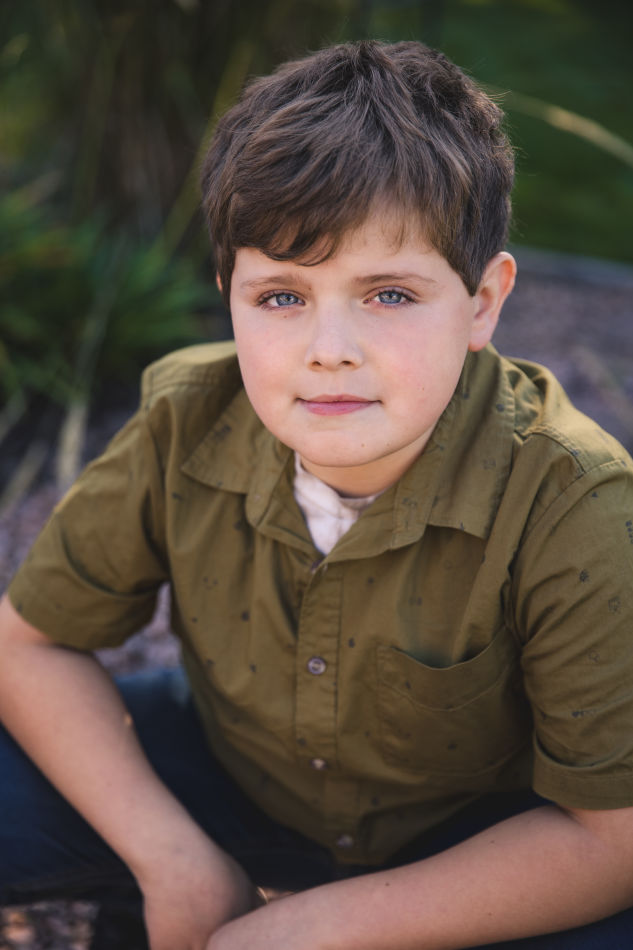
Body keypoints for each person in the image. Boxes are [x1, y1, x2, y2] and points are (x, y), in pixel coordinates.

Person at [1, 39, 633, 950]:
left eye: (388, 295)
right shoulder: (188, 417)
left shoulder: (576, 504)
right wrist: (171, 858)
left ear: (482, 303)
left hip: (475, 833)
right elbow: (29, 642)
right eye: (281, 297)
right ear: (228, 294)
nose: (327, 350)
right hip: (241, 767)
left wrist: (310, 929)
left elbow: (612, 837)